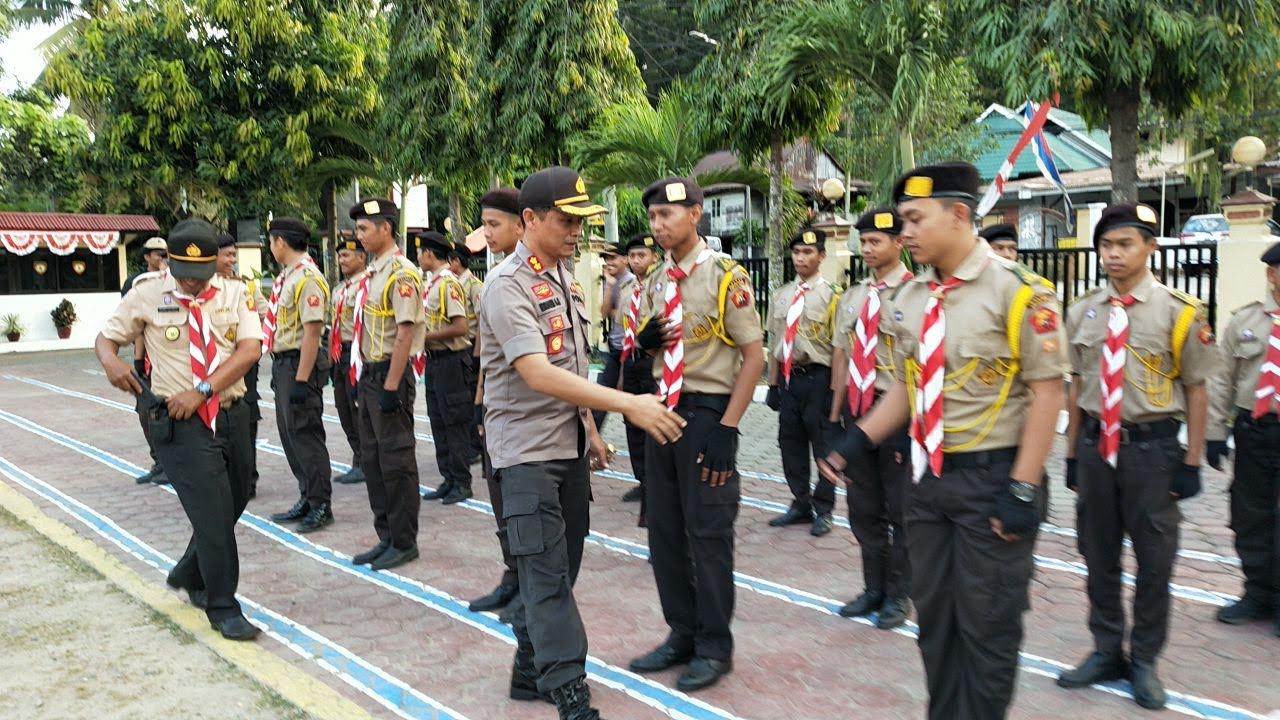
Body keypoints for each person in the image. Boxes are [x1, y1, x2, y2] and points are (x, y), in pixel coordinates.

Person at [820, 162, 1065, 720]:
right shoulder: (910, 297)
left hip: (993, 481)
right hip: (927, 481)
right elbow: (909, 387)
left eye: (914, 219)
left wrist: (1023, 489)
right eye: (901, 220)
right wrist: (853, 442)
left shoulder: (1022, 294)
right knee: (935, 622)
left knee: (988, 624)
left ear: (959, 215)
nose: (904, 232)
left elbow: (1049, 394)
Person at [479, 166, 684, 719]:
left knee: (559, 570)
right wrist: (628, 405)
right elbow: (537, 372)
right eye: (567, 221)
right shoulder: (507, 285)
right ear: (530, 219)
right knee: (546, 576)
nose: (577, 232)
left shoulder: (565, 279)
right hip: (523, 455)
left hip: (566, 447)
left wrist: (590, 430)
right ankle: (571, 692)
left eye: (581, 221)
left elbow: (571, 364)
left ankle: (530, 667)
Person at [1057, 202, 1219, 709]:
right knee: (1098, 555)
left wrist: (1192, 462)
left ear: (1150, 247)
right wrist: (1069, 454)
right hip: (1094, 449)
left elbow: (1196, 390)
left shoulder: (1181, 312)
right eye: (1105, 245)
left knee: (1154, 560)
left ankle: (1144, 659)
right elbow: (1077, 384)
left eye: (1125, 244)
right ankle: (1107, 648)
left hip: (1151, 453)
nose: (1113, 254)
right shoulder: (1082, 308)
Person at [628, 176, 764, 693]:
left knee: (707, 535)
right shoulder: (656, 280)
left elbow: (754, 357)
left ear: (696, 214)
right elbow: (650, 345)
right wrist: (642, 342)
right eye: (654, 217)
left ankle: (714, 646)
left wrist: (729, 429)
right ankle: (681, 633)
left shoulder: (727, 276)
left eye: (668, 214)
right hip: (662, 410)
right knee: (663, 531)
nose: (659, 226)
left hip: (707, 414)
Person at [96, 218, 262, 640]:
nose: (192, 284)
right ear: (169, 262)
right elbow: (106, 338)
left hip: (230, 411)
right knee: (212, 514)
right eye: (184, 275)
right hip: (180, 421)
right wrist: (111, 360)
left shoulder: (234, 291)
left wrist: (204, 390)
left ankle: (189, 571)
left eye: (201, 275)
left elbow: (249, 350)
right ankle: (222, 605)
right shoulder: (147, 293)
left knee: (236, 498)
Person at [827, 207, 914, 629]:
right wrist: (834, 414)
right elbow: (841, 354)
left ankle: (899, 595)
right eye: (863, 242)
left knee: (899, 509)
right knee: (863, 506)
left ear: (900, 242)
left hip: (894, 410)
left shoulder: (916, 294)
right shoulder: (855, 294)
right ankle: (873, 587)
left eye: (877, 241)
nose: (868, 248)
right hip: (856, 410)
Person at [348, 198, 426, 571]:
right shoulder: (374, 273)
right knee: (373, 459)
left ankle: (404, 540)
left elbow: (405, 332)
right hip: (370, 374)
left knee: (395, 461)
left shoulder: (401, 273)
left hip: (388, 376)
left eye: (364, 228)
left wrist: (393, 386)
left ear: (386, 229)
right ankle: (386, 536)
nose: (358, 235)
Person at [1207, 241, 1280, 637]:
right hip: (1254, 433)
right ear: (1272, 274)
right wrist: (1215, 434)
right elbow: (1221, 380)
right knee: (1250, 516)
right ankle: (1257, 594)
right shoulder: (1245, 321)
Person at [763, 227, 841, 536]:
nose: (800, 258)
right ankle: (800, 502)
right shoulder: (782, 295)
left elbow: (838, 350)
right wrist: (772, 385)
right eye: (796, 252)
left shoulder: (833, 296)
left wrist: (835, 391)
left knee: (823, 446)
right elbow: (774, 343)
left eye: (807, 252)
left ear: (821, 256)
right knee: (790, 444)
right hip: (789, 381)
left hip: (818, 379)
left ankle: (824, 509)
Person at [468, 187, 524, 614]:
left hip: (524, 414)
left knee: (522, 506)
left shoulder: (526, 279)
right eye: (484, 224)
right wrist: (480, 400)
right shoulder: (497, 275)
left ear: (522, 224)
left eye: (494, 224)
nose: (486, 232)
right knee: (498, 496)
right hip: (497, 406)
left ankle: (526, 585)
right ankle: (512, 574)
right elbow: (490, 353)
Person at [261, 218, 333, 534]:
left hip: (299, 364)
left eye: (271, 241)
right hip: (285, 363)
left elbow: (313, 331)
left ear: (281, 242)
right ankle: (307, 495)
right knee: (291, 435)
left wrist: (302, 379)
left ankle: (320, 504)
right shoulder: (288, 277)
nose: (270, 247)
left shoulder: (308, 279)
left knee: (305, 435)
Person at [413, 228, 475, 505]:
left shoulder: (448, 284)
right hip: (435, 362)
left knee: (454, 422)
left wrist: (424, 337)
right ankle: (448, 478)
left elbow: (460, 326)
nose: (418, 257)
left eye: (420, 252)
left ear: (428, 253)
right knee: (438, 421)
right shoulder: (432, 284)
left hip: (452, 360)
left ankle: (462, 482)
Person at [215, 232, 265, 500]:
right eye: (227, 255)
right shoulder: (199, 289)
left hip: (244, 362)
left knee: (246, 417)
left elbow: (264, 312)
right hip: (216, 365)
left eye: (234, 255)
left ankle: (249, 478)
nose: (232, 260)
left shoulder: (245, 286)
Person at [613, 233, 660, 510]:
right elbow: (623, 334)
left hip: (653, 362)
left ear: (654, 257)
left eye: (642, 255)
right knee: (632, 424)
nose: (636, 260)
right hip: (631, 361)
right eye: (632, 256)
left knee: (653, 422)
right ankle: (642, 480)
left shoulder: (661, 286)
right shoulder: (628, 290)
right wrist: (621, 373)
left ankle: (656, 484)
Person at [124, 235, 170, 484]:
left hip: (169, 357)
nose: (161, 257)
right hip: (147, 358)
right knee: (146, 412)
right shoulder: (136, 283)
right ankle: (158, 461)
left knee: (166, 413)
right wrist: (138, 361)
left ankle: (170, 465)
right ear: (146, 257)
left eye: (164, 253)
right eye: (156, 253)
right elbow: (134, 323)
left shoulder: (175, 280)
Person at [330, 236, 368, 485]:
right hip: (338, 354)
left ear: (361, 257)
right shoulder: (339, 289)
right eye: (340, 256)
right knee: (343, 408)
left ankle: (365, 462)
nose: (341, 260)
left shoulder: (366, 285)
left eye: (347, 256)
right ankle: (358, 456)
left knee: (358, 409)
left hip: (358, 355)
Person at [448, 244, 486, 464]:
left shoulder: (473, 285)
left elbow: (481, 321)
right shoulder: (454, 284)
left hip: (472, 344)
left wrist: (477, 353)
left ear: (456, 261)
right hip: (462, 346)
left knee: (473, 397)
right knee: (464, 398)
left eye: (450, 260)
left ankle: (476, 445)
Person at [590, 245, 632, 432]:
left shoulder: (631, 282)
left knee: (629, 404)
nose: (609, 262)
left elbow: (631, 315)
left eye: (614, 258)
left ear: (625, 259)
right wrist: (609, 286)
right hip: (615, 350)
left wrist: (617, 312)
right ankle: (591, 446)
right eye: (607, 258)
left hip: (631, 351)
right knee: (599, 401)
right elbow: (604, 312)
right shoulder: (612, 282)